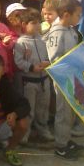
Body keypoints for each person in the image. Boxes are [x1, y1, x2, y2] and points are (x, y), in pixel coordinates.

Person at [45, 0, 84, 158]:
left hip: (73, 77)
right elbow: (54, 58)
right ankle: (61, 145)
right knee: (63, 112)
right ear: (67, 15)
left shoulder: (71, 30)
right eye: (78, 15)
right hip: (63, 78)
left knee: (71, 111)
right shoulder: (57, 32)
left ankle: (66, 139)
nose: (79, 18)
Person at [13, 8, 53, 143]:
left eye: (38, 23)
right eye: (33, 23)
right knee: (29, 109)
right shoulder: (20, 42)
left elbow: (49, 55)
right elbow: (18, 61)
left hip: (44, 80)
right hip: (29, 82)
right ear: (24, 24)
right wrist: (31, 67)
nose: (37, 26)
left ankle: (43, 130)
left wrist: (47, 62)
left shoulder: (43, 40)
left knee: (43, 108)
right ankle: (25, 133)